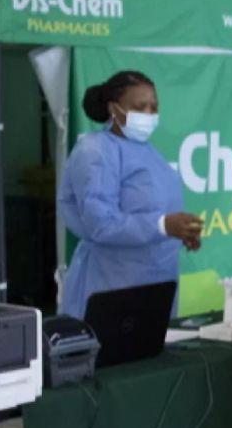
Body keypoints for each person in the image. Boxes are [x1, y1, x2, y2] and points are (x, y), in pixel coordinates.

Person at [57, 70, 202, 318]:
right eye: (139, 106)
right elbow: (100, 224)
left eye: (154, 107)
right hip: (111, 285)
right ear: (114, 108)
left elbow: (154, 212)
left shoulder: (147, 152)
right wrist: (162, 225)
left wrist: (179, 233)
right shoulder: (97, 151)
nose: (149, 114)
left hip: (157, 283)